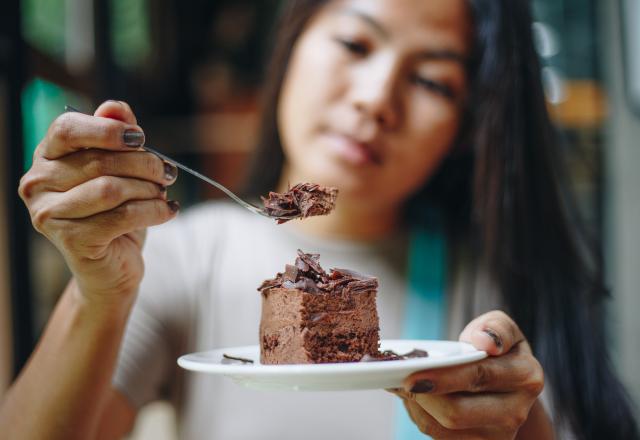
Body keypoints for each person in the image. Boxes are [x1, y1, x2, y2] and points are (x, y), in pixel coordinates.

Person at [1, 0, 638, 439]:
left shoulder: (496, 294)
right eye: (355, 44)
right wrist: (97, 293)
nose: (375, 99)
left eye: (434, 83)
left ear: (469, 127)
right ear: (293, 42)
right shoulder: (180, 256)